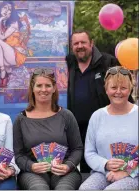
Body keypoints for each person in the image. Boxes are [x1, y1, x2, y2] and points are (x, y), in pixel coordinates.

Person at [13, 68, 83, 190]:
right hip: (32, 172)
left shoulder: (66, 115)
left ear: (54, 88)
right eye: (39, 85)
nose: (43, 90)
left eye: (48, 85)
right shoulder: (21, 119)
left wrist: (67, 166)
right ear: (32, 88)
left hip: (64, 171)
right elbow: (18, 155)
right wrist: (31, 166)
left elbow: (77, 149)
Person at [66, 29, 123, 173]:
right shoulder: (68, 64)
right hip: (78, 129)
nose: (80, 46)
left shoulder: (108, 62)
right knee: (86, 169)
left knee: (109, 167)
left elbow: (122, 91)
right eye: (76, 43)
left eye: (83, 42)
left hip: (105, 127)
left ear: (91, 43)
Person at [79, 66, 138, 190]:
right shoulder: (97, 116)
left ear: (130, 89)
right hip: (103, 172)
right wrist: (105, 164)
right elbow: (89, 152)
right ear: (106, 89)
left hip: (135, 174)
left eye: (123, 88)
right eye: (113, 87)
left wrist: (127, 171)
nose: (118, 92)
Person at [0, 1, 28, 87]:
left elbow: (1, 38)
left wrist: (0, 20)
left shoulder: (14, 23)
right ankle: (7, 69)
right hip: (6, 55)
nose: (7, 11)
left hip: (15, 54)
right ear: (0, 9)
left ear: (12, 12)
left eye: (9, 9)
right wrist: (0, 21)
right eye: (5, 8)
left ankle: (3, 70)